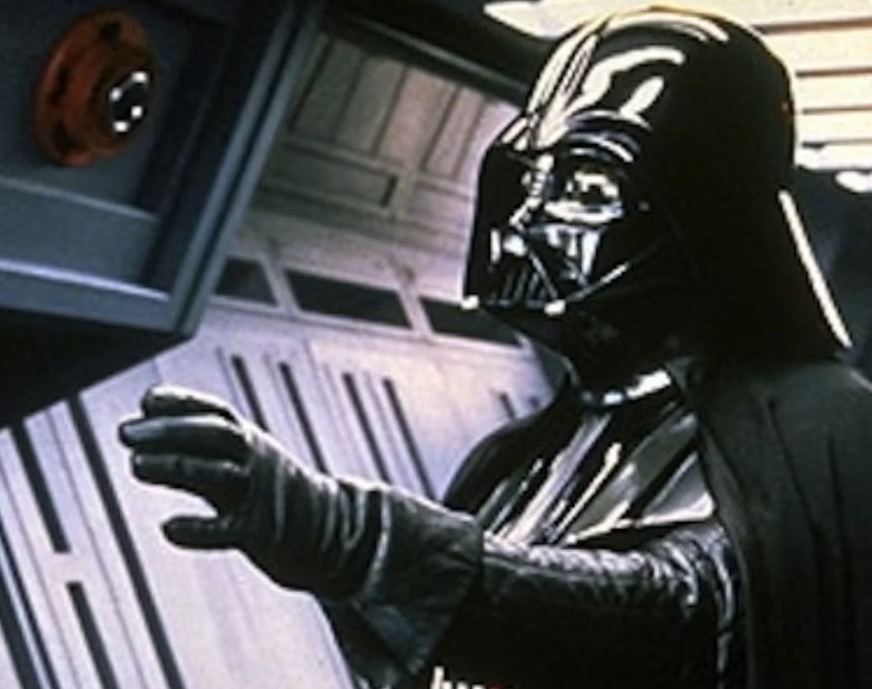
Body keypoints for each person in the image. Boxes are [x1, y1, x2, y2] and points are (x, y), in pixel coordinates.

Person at [119, 7, 872, 689]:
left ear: (709, 212)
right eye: (529, 179)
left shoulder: (825, 434)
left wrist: (352, 537)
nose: (528, 222)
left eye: (585, 186)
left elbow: (681, 615)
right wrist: (340, 557)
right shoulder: (515, 458)